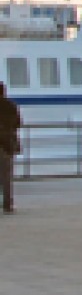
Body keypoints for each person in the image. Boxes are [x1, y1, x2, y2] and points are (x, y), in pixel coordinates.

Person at [0, 77, 18, 212]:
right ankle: (7, 203)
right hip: (6, 144)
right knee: (6, 176)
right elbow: (18, 123)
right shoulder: (10, 105)